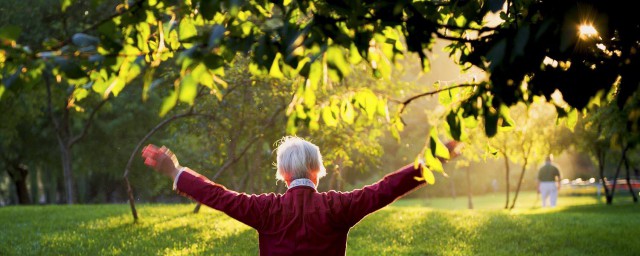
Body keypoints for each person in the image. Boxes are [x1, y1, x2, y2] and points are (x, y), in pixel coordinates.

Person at [141, 136, 438, 256]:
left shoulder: (266, 210)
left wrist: (176, 171)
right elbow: (385, 188)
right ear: (317, 171)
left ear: (283, 174)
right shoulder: (338, 207)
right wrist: (431, 163)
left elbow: (220, 196)